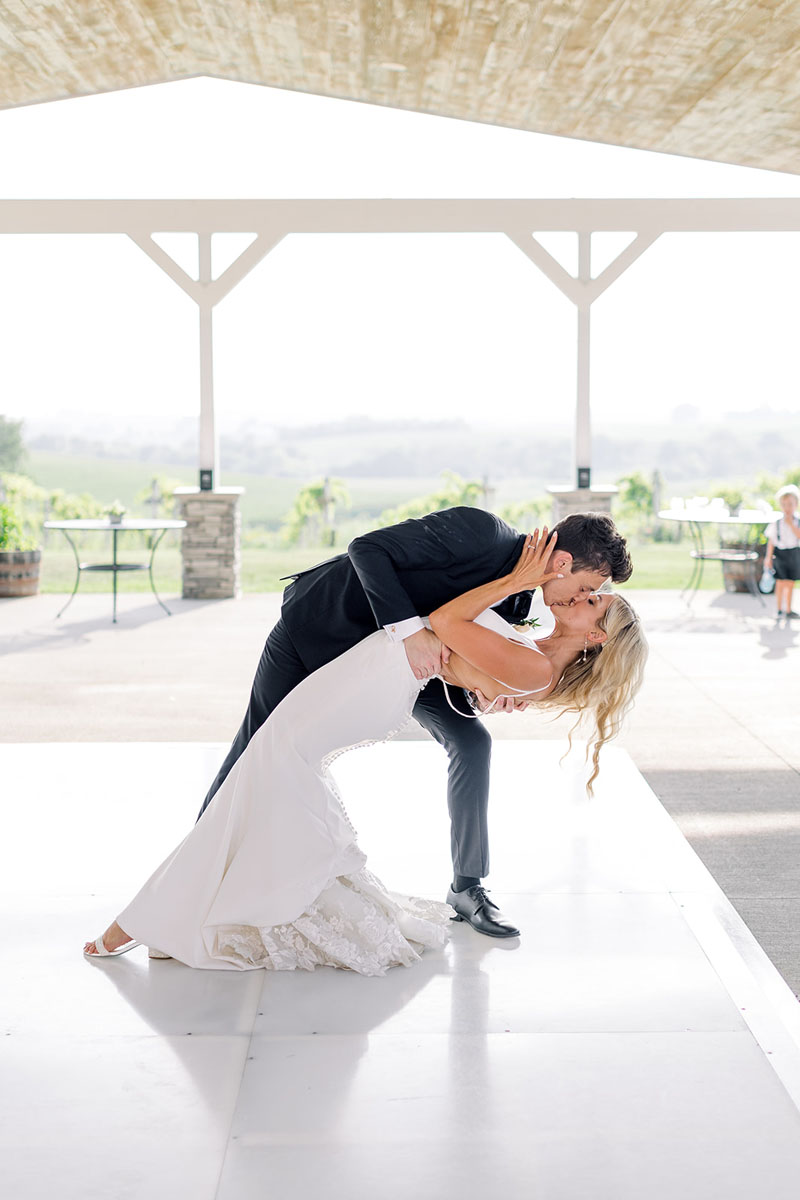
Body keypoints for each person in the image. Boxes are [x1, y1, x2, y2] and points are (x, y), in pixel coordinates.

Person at [84, 530, 648, 975]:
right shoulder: (533, 635)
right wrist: (488, 678)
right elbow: (458, 636)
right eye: (588, 587)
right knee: (269, 770)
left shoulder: (535, 662)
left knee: (267, 765)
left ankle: (162, 911)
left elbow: (449, 623)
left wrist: (508, 602)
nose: (581, 597)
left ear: (596, 637)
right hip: (362, 660)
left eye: (593, 601)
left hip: (374, 680)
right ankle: (192, 899)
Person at [193, 506, 633, 939]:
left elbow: (467, 655)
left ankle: (467, 886)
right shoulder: (481, 532)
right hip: (323, 627)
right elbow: (366, 549)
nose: (579, 599)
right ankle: (195, 872)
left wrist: (487, 692)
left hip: (409, 667)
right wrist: (410, 631)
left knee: (472, 742)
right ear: (561, 563)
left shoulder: (520, 601)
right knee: (255, 743)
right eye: (587, 586)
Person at [764, 485, 800, 620]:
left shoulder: (797, 522)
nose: (787, 507)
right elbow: (771, 541)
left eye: (790, 504)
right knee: (780, 582)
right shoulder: (776, 522)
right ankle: (779, 609)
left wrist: (791, 525)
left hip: (794, 553)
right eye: (784, 504)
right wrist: (768, 557)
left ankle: (789, 609)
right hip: (780, 554)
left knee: (790, 583)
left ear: (796, 504)